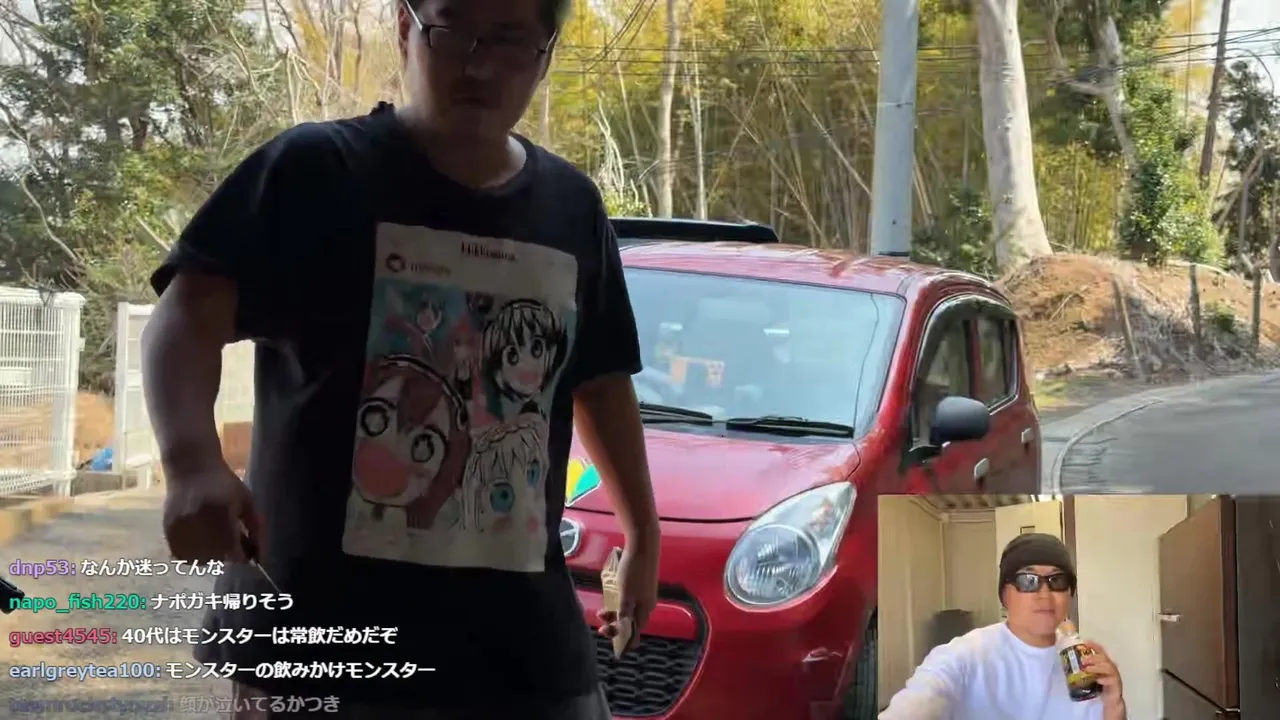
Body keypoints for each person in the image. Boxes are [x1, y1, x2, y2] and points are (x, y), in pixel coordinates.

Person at [140, 0, 660, 717]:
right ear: (407, 28)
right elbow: (187, 314)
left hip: (521, 647)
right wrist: (191, 461)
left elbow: (599, 378)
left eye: (510, 41)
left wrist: (643, 530)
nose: (479, 65)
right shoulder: (314, 170)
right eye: (453, 31)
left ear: (544, 56)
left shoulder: (571, 207)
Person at [880, 533, 1126, 720]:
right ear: (1005, 595)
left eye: (1057, 580)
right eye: (1027, 580)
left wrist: (1114, 705)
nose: (1044, 593)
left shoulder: (1083, 664)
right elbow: (919, 702)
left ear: (1069, 594)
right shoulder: (964, 656)